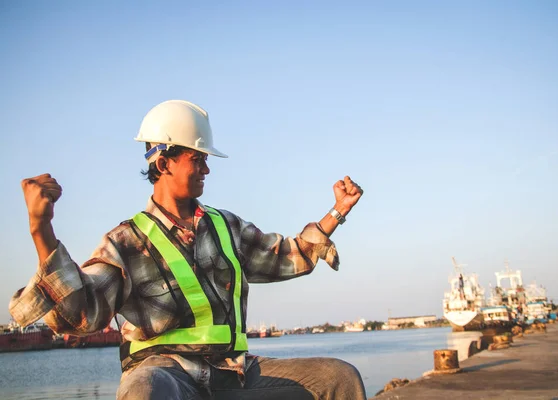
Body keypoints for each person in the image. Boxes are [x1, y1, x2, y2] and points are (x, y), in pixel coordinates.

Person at [10, 100, 366, 399]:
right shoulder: (126, 242)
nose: (207, 169)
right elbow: (81, 313)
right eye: (198, 159)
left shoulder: (226, 227)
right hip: (165, 372)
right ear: (164, 163)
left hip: (233, 372)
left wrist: (338, 212)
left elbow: (287, 255)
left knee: (338, 378)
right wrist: (41, 229)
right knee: (145, 390)